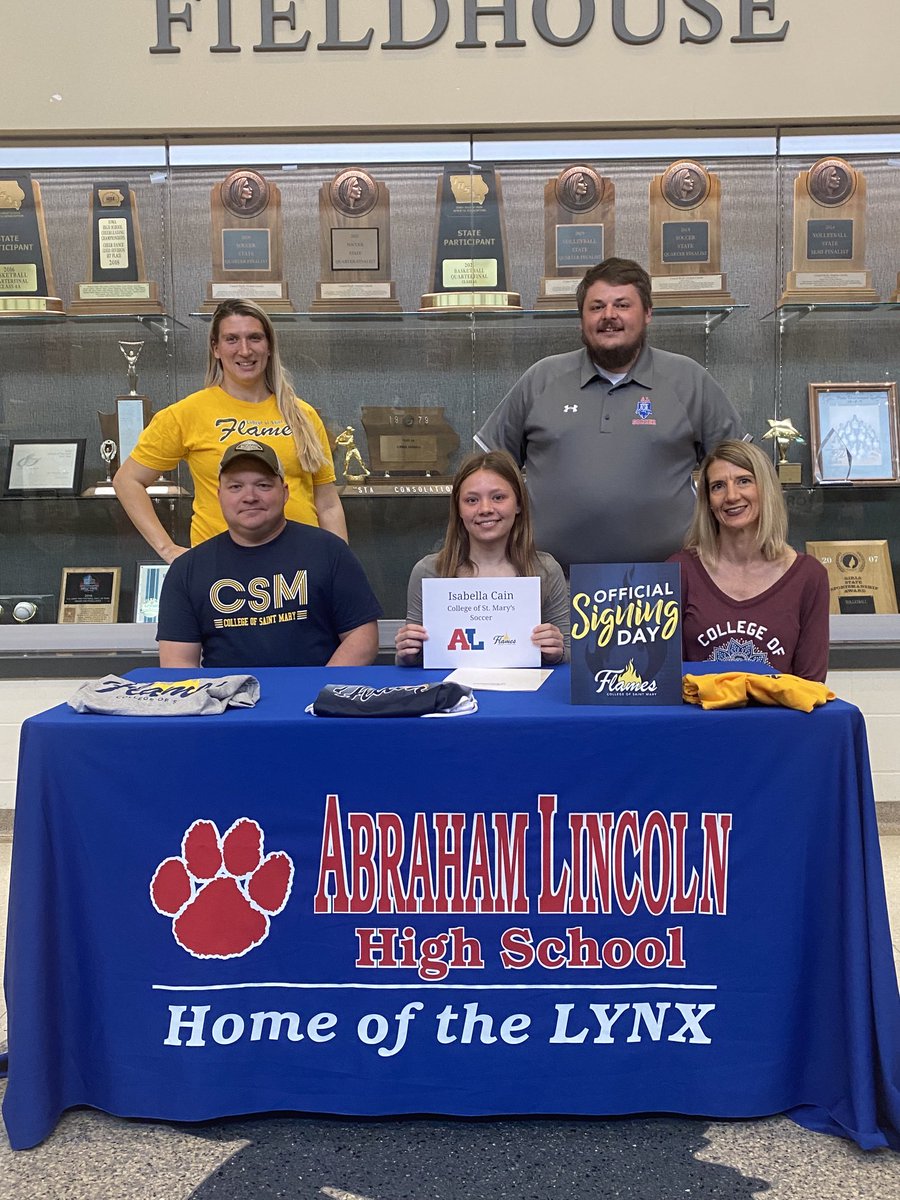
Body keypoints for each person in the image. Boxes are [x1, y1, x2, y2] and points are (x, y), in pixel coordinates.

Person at [475, 257, 742, 570]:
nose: (609, 316)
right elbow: (488, 473)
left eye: (622, 305)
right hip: (552, 585)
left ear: (648, 314)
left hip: (666, 587)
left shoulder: (689, 380)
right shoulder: (542, 379)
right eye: (597, 306)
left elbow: (740, 471)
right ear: (581, 319)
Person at [114, 298, 347, 563]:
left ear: (269, 346)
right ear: (216, 348)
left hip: (301, 568)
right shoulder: (187, 413)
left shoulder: (302, 415)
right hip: (222, 572)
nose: (245, 350)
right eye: (232, 339)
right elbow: (127, 480)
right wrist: (168, 549)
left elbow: (327, 504)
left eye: (255, 338)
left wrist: (340, 565)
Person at [157, 440, 381, 669]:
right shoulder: (187, 569)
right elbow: (177, 663)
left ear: (284, 493)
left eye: (263, 485)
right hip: (227, 702)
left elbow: (362, 638)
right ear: (219, 495)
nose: (250, 496)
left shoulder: (330, 551)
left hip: (316, 700)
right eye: (235, 487)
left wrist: (319, 692)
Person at [668, 439, 829, 681]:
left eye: (744, 481)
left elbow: (811, 686)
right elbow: (666, 679)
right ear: (708, 502)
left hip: (777, 719)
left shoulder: (809, 576)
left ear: (766, 490)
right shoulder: (679, 571)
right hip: (700, 717)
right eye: (718, 486)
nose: (731, 496)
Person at [395, 450, 569, 666]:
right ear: (458, 509)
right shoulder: (429, 571)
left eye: (498, 497)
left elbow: (567, 655)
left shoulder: (545, 569)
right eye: (471, 500)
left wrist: (555, 650)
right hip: (452, 696)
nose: (485, 509)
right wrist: (407, 650)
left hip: (523, 696)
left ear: (518, 504)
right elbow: (409, 661)